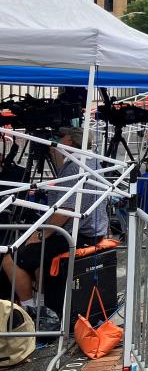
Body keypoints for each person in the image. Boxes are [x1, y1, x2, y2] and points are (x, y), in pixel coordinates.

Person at [1, 127, 108, 308]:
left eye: (61, 137)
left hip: (73, 236)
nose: (58, 139)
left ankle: (30, 310)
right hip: (92, 231)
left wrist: (43, 234)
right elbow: (64, 180)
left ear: (70, 141)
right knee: (38, 261)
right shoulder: (92, 161)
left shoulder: (75, 168)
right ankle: (43, 306)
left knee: (9, 258)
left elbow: (65, 209)